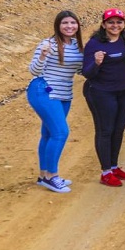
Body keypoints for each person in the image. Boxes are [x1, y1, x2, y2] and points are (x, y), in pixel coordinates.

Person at [28, 10, 84, 193]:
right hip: (43, 90)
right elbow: (34, 70)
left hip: (64, 94)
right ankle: (53, 176)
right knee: (60, 132)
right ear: (58, 26)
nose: (69, 26)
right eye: (65, 23)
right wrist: (44, 55)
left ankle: (44, 175)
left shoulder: (77, 45)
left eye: (73, 23)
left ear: (77, 25)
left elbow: (82, 70)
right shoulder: (48, 43)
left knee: (48, 133)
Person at [82, 8, 125, 187]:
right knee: (106, 130)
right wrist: (96, 63)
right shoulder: (95, 44)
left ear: (124, 24)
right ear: (103, 24)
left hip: (124, 91)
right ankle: (105, 172)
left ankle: (114, 166)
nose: (115, 25)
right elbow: (86, 72)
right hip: (100, 92)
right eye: (111, 22)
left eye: (119, 22)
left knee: (119, 129)